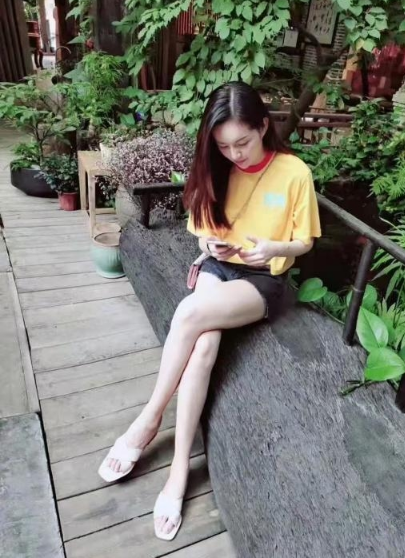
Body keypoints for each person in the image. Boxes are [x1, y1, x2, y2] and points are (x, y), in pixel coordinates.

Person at [98, 81, 321, 540]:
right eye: (223, 145)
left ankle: (148, 419)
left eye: (243, 142)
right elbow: (200, 230)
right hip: (219, 266)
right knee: (202, 350)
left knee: (188, 315)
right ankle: (180, 469)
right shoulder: (216, 166)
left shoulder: (294, 172)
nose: (234, 154)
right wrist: (208, 245)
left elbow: (304, 241)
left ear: (263, 127)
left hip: (261, 279)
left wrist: (276, 247)